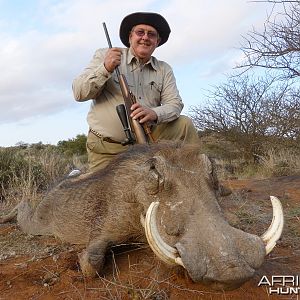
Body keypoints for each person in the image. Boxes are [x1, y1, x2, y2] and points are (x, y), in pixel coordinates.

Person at [72, 12, 199, 172]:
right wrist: (105, 68)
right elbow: (79, 93)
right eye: (140, 32)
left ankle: (199, 178)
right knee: (104, 195)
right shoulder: (106, 55)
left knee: (184, 124)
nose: (145, 37)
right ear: (130, 37)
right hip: (107, 148)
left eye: (151, 34)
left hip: (148, 141)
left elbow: (175, 104)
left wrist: (154, 113)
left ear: (157, 42)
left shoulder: (164, 69)